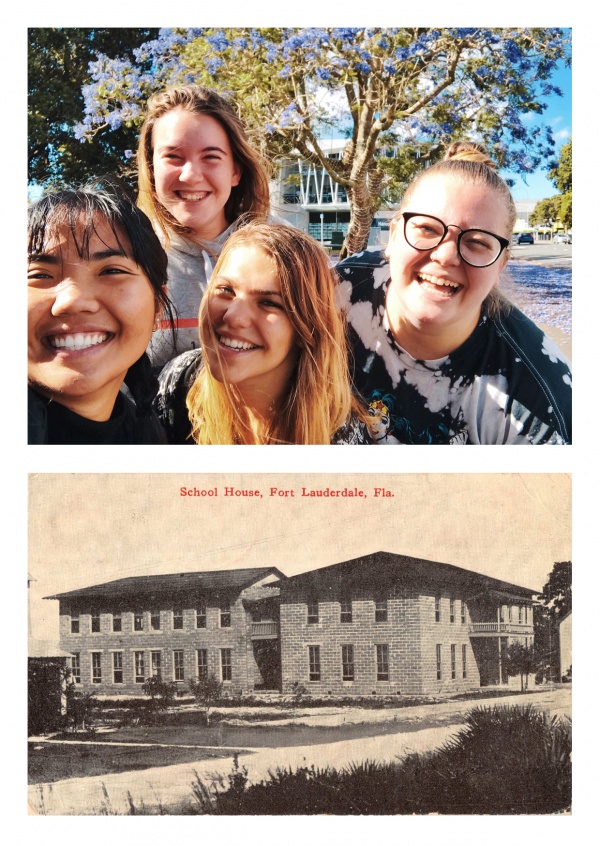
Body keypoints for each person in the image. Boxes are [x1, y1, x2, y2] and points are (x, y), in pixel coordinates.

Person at [336, 141, 572, 444]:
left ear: (500, 265)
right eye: (427, 229)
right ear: (394, 236)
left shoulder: (538, 403)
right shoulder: (340, 289)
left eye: (477, 241)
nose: (446, 256)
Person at [155, 222, 369, 444]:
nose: (233, 316)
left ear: (307, 327)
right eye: (226, 290)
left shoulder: (340, 438)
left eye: (269, 303)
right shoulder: (178, 382)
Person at [137, 84, 271, 368]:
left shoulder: (282, 254)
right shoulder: (126, 259)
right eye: (173, 157)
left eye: (211, 157)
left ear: (235, 171)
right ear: (151, 168)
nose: (191, 175)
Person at [28, 186, 174, 444]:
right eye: (40, 275)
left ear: (157, 307)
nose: (72, 301)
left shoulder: (149, 433)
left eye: (111, 271)